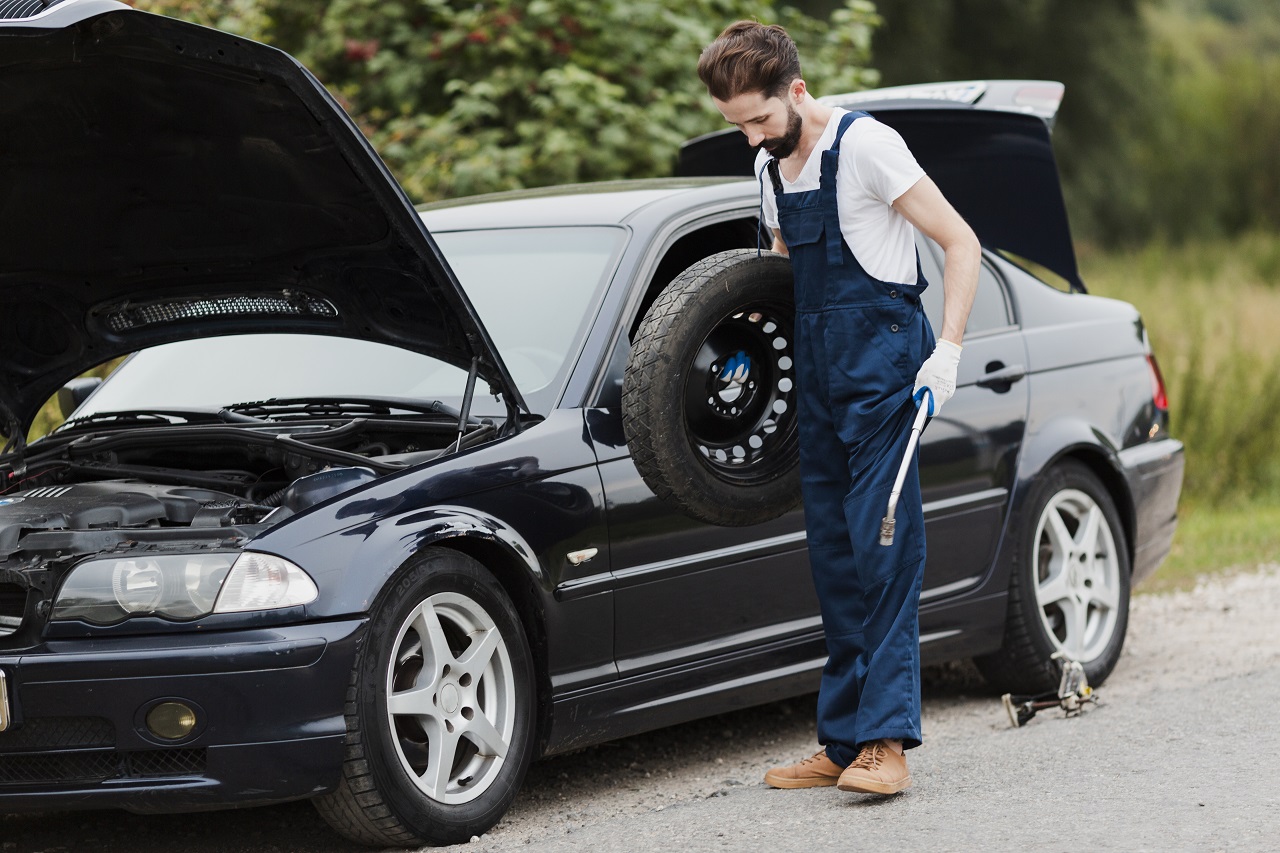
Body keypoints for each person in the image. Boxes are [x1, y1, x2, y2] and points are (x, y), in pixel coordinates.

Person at [697, 21, 980, 795]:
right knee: (835, 558)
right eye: (737, 125)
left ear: (795, 90)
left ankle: (886, 744)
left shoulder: (867, 147)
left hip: (886, 372)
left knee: (884, 550)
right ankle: (844, 738)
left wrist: (946, 350)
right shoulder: (769, 169)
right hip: (819, 381)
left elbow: (961, 242)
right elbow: (791, 286)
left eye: (759, 118)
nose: (752, 136)